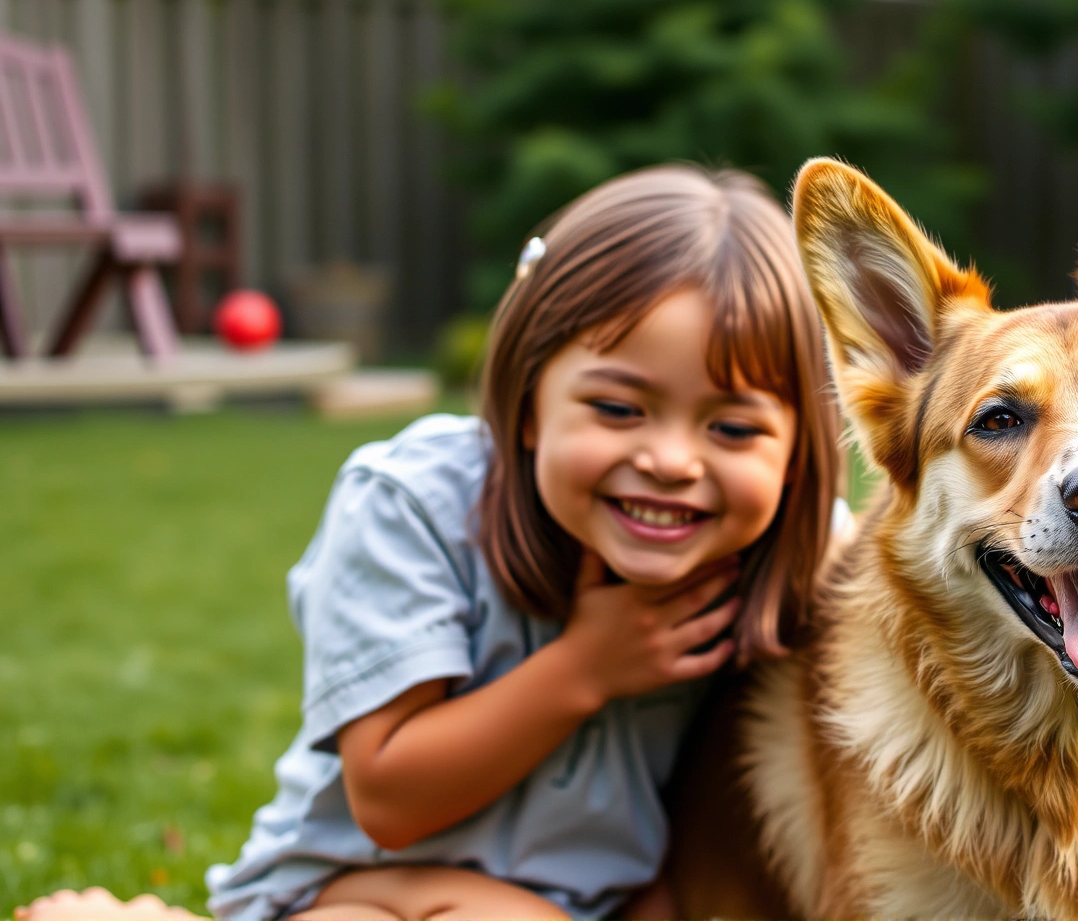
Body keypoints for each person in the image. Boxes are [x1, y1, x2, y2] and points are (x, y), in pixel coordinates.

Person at [18, 166, 844, 921]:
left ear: (798, 452)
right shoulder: (413, 503)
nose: (669, 461)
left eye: (733, 427)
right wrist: (587, 666)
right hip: (358, 891)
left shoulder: (794, 553)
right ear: (528, 403)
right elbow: (389, 796)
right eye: (619, 409)